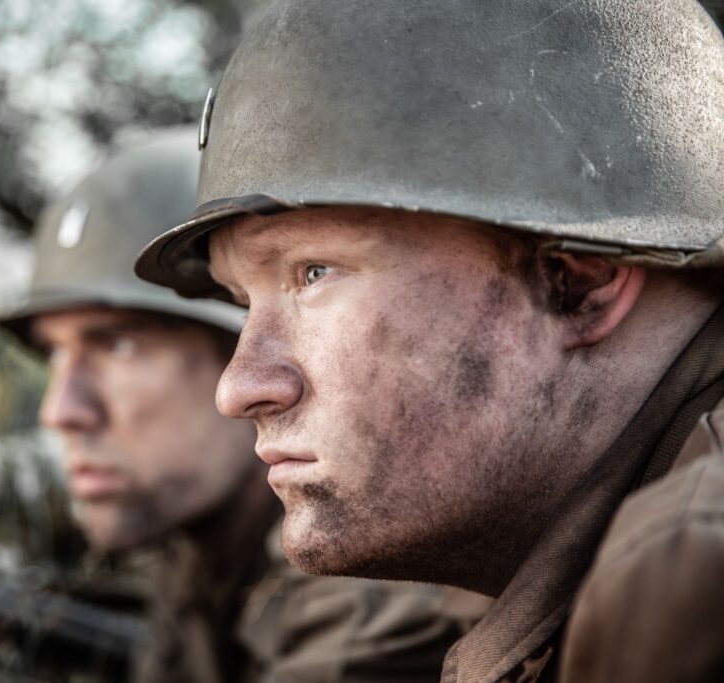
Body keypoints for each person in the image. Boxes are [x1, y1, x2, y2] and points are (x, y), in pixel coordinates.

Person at [134, 2, 724, 682]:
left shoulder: (693, 568)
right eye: (243, 301)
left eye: (314, 273)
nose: (240, 387)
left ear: (577, 281)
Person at [0, 129, 478, 682]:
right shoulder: (198, 548)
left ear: (237, 341)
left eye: (117, 344)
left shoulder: (373, 583)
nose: (61, 410)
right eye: (53, 354)